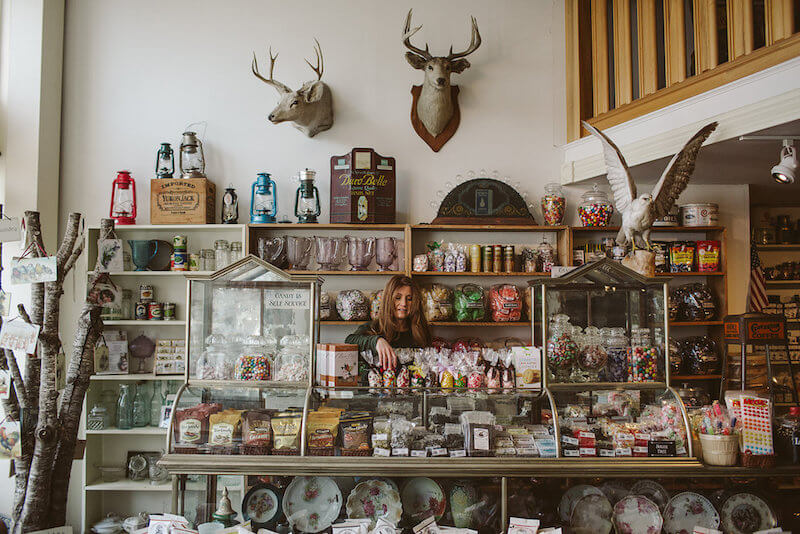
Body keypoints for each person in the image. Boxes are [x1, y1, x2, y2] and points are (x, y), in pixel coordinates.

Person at [345, 275, 431, 370]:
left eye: (409, 299)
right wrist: (377, 341)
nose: (404, 303)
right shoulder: (374, 328)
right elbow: (349, 341)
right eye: (398, 298)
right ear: (388, 300)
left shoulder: (420, 331)